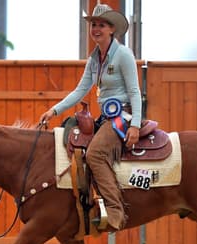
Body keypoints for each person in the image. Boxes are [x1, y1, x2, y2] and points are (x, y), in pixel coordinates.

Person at [39, 3, 142, 231]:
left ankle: (116, 210)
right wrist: (54, 110)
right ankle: (88, 204)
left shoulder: (123, 54)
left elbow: (135, 91)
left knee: (95, 153)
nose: (96, 29)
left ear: (112, 29)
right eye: (93, 25)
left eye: (101, 25)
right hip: (105, 117)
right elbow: (79, 91)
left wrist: (134, 125)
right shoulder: (94, 59)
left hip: (122, 117)